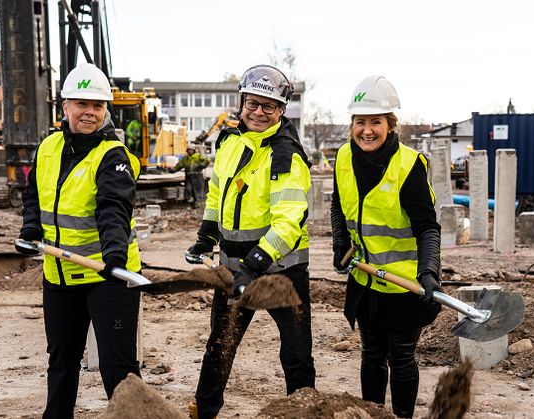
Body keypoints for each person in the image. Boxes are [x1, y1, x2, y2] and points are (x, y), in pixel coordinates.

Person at [185, 64, 315, 419]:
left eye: (268, 106)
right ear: (241, 102)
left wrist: (253, 266)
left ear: (281, 110)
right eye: (252, 104)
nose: (258, 112)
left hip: (280, 273)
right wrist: (205, 237)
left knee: (296, 353)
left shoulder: (286, 154)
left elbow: (289, 224)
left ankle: (303, 412)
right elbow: (217, 194)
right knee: (219, 347)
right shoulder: (228, 141)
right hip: (232, 267)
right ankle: (205, 410)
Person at [15, 62, 143, 419]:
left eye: (97, 106)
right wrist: (29, 231)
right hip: (59, 278)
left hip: (108, 278)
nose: (89, 113)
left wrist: (115, 254)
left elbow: (113, 209)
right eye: (81, 104)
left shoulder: (113, 156)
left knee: (118, 370)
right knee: (61, 362)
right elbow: (33, 198)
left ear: (106, 111)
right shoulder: (48, 147)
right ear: (65, 106)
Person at [330, 75, 443, 419]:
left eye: (375, 122)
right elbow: (338, 205)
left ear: (390, 125)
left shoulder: (408, 166)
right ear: (352, 125)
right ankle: (375, 415)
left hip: (403, 283)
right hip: (366, 282)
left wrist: (429, 271)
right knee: (371, 354)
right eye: (360, 122)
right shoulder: (343, 159)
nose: (367, 130)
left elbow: (427, 228)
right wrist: (340, 242)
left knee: (402, 355)